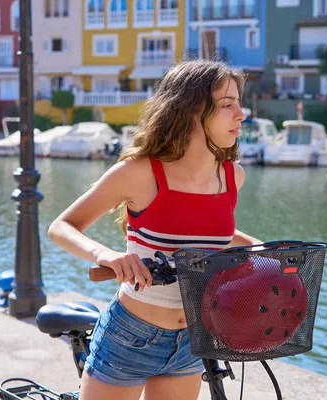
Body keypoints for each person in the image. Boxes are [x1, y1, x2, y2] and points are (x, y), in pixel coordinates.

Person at [47, 59, 262, 400]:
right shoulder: (139, 172)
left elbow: (204, 231)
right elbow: (62, 226)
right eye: (226, 105)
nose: (241, 113)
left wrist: (259, 248)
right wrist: (109, 255)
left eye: (238, 102)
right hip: (130, 336)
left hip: (194, 337)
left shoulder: (232, 176)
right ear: (190, 110)